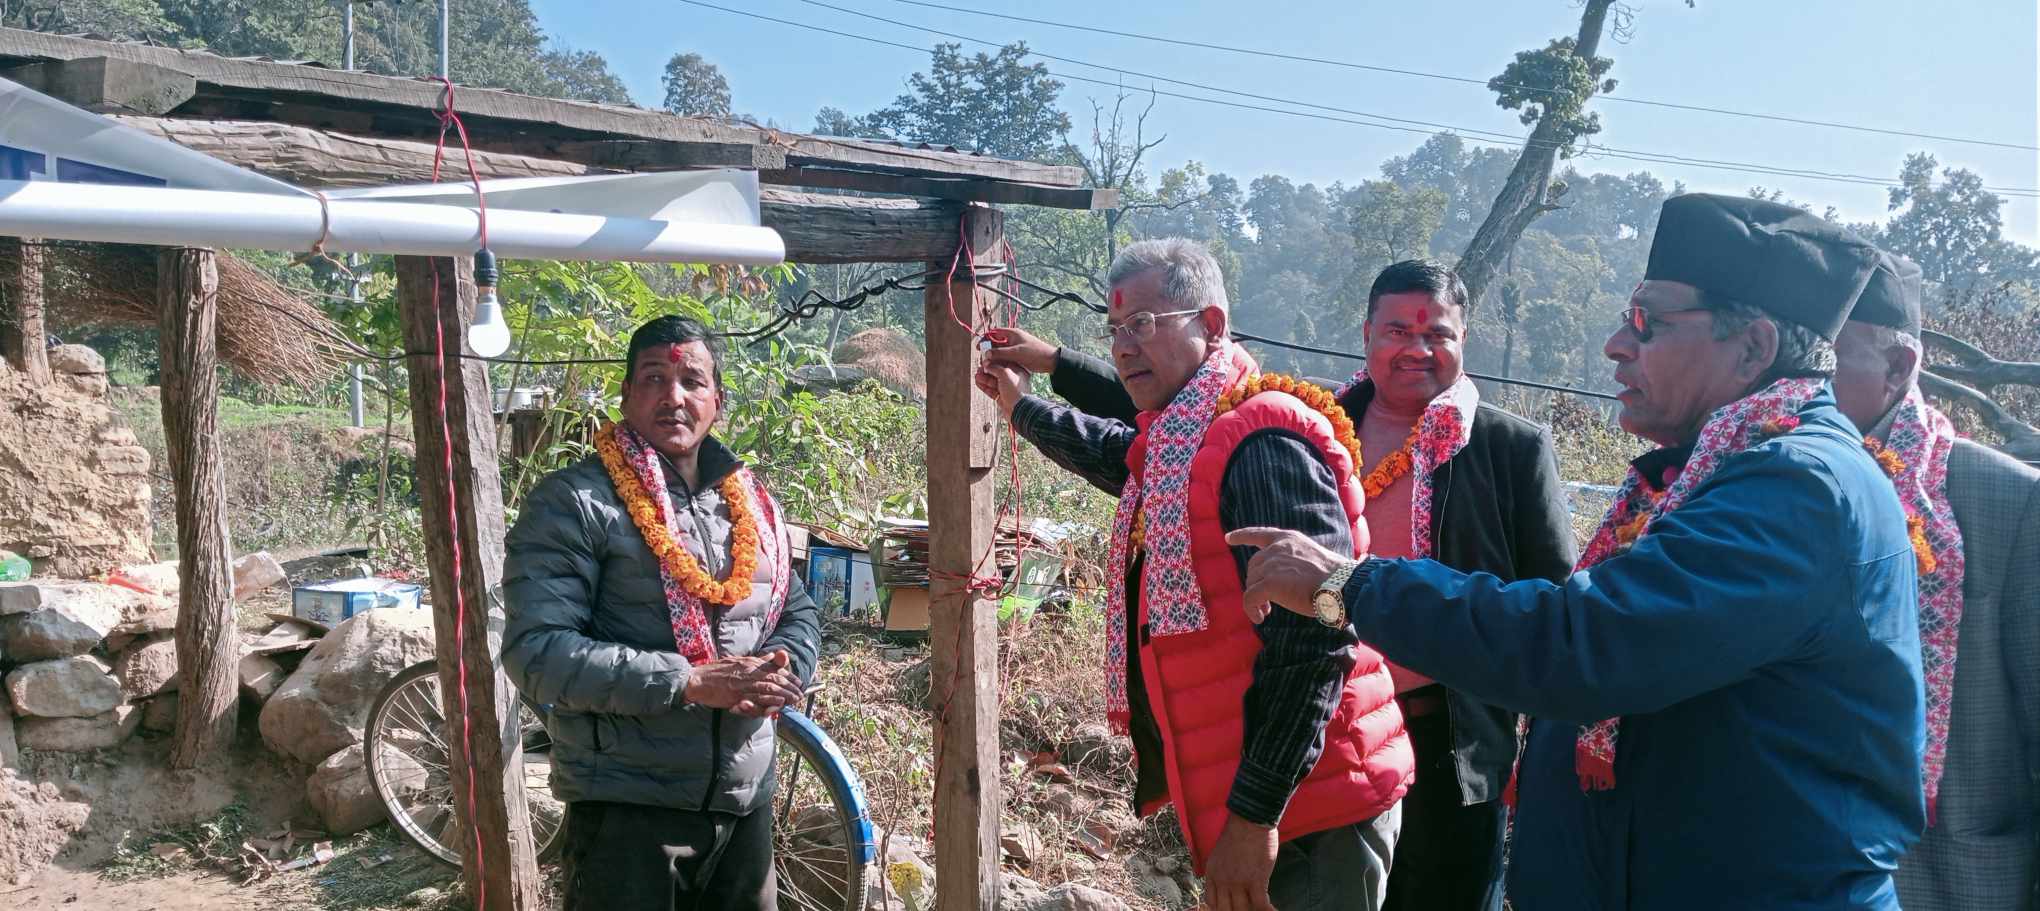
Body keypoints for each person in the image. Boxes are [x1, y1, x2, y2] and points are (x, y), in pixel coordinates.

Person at [1229, 194, 1924, 910]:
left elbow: (1583, 640)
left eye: (1649, 323)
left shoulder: (1796, 486)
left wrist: (1350, 586)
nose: (1617, 345)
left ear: (1752, 346)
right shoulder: (1715, 468)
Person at [985, 259, 1577, 911]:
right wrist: (1042, 379)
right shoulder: (1291, 415)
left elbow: (1553, 618)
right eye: (1396, 330)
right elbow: (1145, 431)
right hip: (1323, 743)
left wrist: (1547, 756)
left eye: (1435, 332)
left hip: (1447, 739)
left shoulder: (1499, 445)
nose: (1415, 347)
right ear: (1366, 335)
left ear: (1464, 338)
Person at [976, 238, 1413, 911]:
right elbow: (1120, 456)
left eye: (1143, 325)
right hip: (1280, 798)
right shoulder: (1189, 439)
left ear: (1211, 325)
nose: (1123, 347)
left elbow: (1316, 640)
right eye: (1115, 330)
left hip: (1312, 808)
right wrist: (1025, 404)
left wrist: (1253, 816)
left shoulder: (1264, 440)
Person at [501, 315, 820, 911]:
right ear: (626, 396)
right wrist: (691, 682)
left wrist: (781, 667)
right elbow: (536, 652)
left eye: (692, 380)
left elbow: (795, 607)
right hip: (628, 812)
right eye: (654, 378)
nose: (674, 396)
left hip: (746, 803)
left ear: (717, 402)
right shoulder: (574, 502)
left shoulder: (751, 503)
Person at [1829, 252, 2040, 911]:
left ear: (1899, 367)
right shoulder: (1766, 480)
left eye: (1828, 356)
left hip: (1951, 880)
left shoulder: (2006, 502)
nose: (1801, 378)